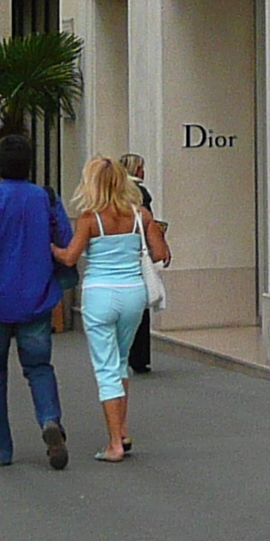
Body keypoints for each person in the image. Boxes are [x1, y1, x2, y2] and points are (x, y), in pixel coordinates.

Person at [0, 136, 76, 468]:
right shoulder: (46, 198)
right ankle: (49, 419)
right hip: (38, 297)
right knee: (39, 367)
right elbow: (66, 244)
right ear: (30, 164)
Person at [56, 155, 167, 463]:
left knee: (105, 368)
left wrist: (51, 248)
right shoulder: (139, 214)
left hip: (100, 294)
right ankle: (122, 430)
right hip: (134, 293)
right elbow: (159, 253)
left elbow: (69, 257)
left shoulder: (90, 218)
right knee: (120, 363)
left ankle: (114, 445)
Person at [121, 153, 156, 376]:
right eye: (141, 167)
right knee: (140, 308)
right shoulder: (140, 193)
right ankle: (139, 356)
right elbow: (149, 222)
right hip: (136, 252)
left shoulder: (114, 192)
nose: (144, 171)